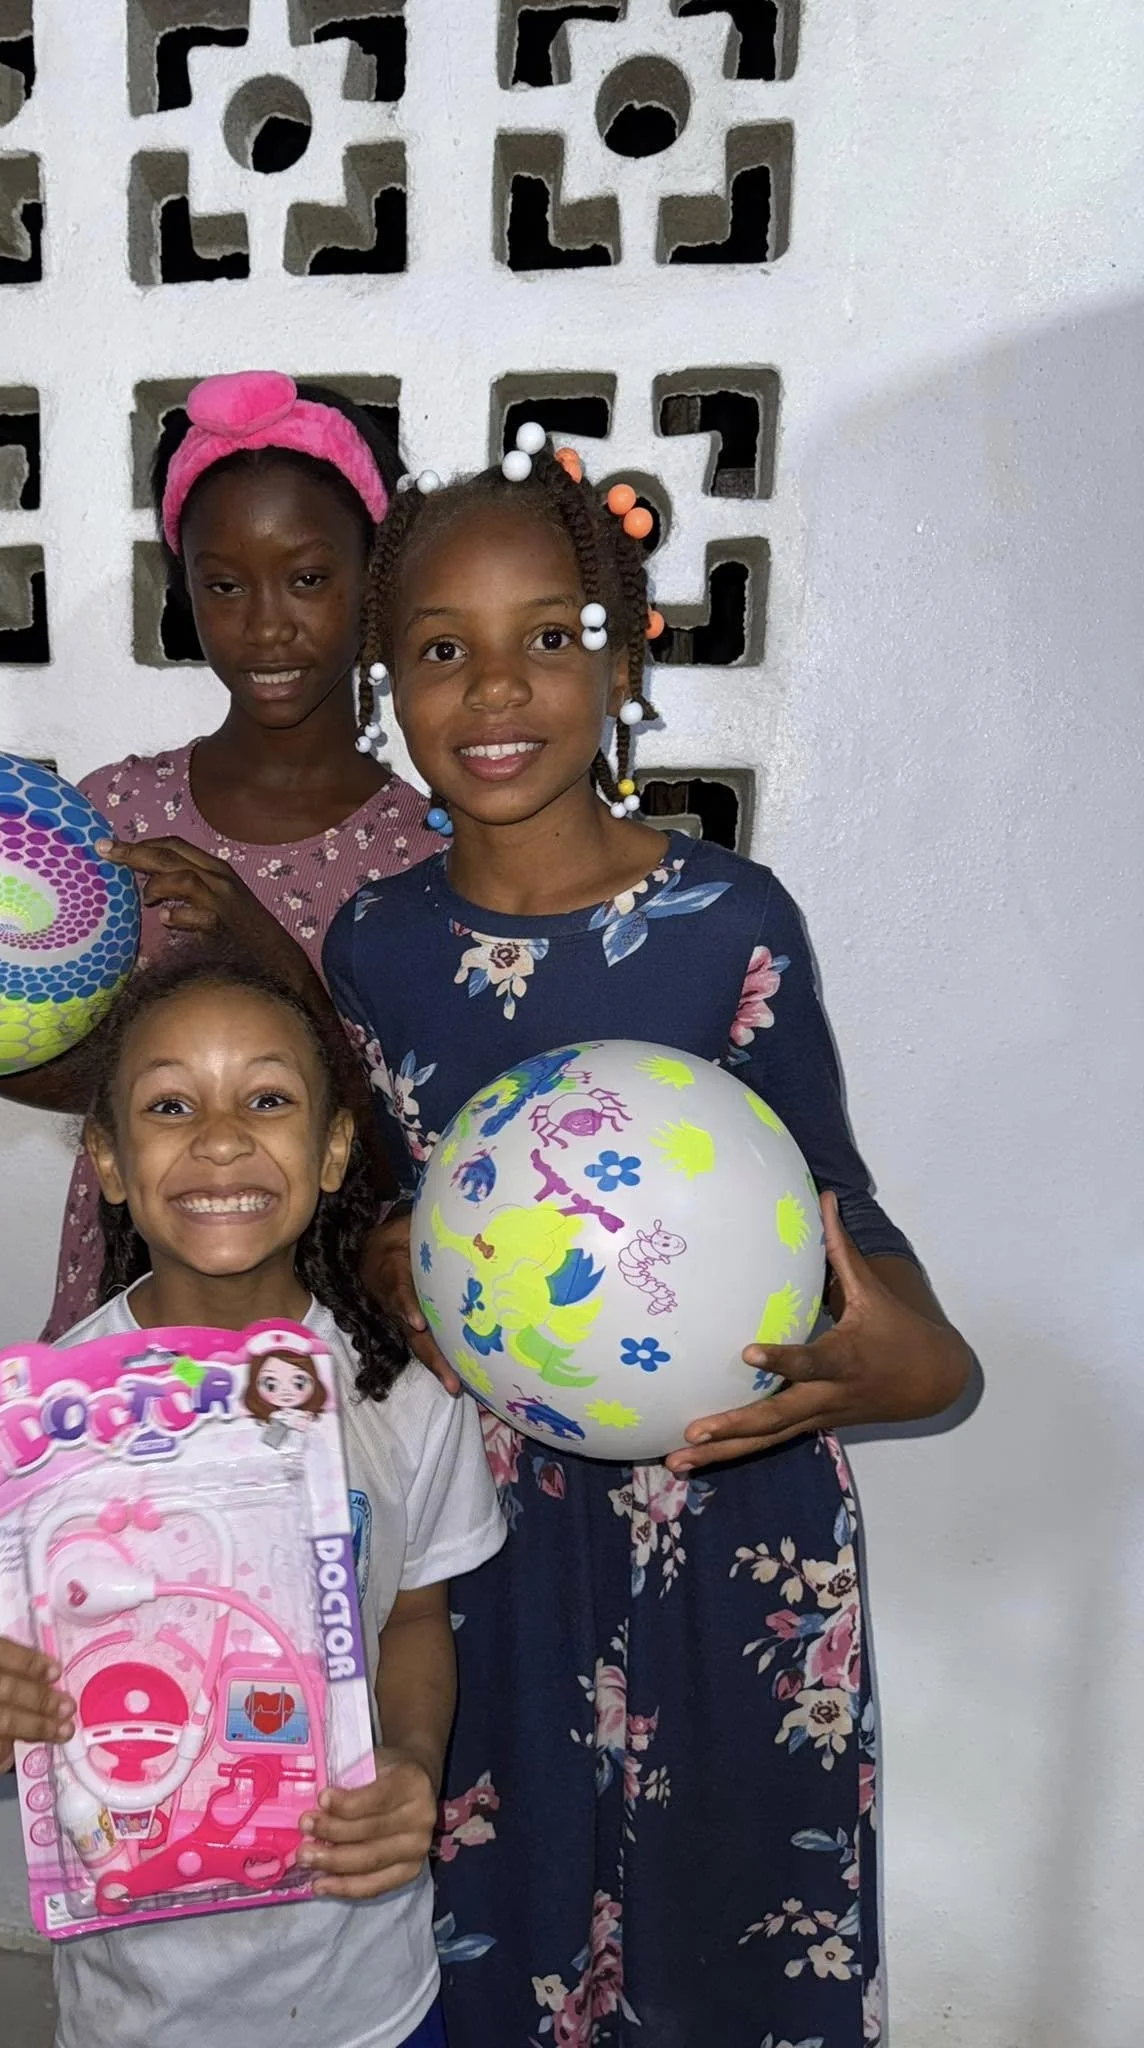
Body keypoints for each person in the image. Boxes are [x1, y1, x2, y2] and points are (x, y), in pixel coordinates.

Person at [321, 441, 972, 2047]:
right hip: (481, 1536)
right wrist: (380, 1251)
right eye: (441, 648)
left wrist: (909, 1357)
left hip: (733, 1520)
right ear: (385, 684)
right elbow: (359, 1217)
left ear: (620, 657)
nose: (497, 689)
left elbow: (834, 1205)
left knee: (728, 1927)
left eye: (550, 636)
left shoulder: (729, 922)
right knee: (492, 1924)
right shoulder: (378, 946)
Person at [0, 370, 444, 1337]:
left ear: (376, 580)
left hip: (344, 1310)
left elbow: (398, 1143)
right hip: (140, 1297)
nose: (267, 621)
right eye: (224, 584)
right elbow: (86, 1075)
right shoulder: (112, 816)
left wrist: (269, 957)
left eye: (310, 577)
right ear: (184, 586)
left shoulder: (423, 853)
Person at [0, 948, 505, 2048]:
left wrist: (416, 1766)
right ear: (105, 1155)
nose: (222, 1135)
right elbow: (20, 1675)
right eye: (170, 1102)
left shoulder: (404, 1396)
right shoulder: (36, 1420)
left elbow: (415, 1616)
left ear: (334, 1148)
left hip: (365, 1988)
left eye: (270, 1097)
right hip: (134, 2002)